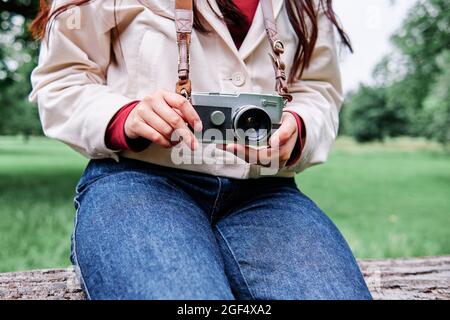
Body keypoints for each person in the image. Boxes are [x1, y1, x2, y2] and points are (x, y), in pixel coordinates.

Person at [29, 0, 372, 300]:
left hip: (265, 189)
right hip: (139, 179)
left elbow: (318, 88)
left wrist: (299, 127)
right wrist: (125, 116)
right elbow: (62, 81)